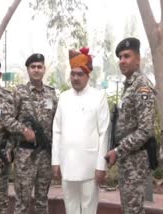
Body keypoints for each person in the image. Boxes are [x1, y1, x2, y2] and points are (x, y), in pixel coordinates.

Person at [52, 47, 110, 214]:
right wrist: (55, 161)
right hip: (67, 165)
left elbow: (104, 132)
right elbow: (57, 130)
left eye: (80, 74)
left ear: (87, 76)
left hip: (90, 166)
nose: (75, 77)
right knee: (70, 208)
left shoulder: (98, 97)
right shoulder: (63, 97)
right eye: (73, 74)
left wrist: (101, 165)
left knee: (88, 209)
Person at [0, 59, 35, 214]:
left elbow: (16, 128)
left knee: (1, 202)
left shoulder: (10, 98)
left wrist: (10, 150)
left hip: (2, 155)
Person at [105, 37, 155, 214]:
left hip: (136, 161)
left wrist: (117, 151)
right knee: (129, 209)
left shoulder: (142, 87)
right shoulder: (129, 85)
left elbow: (145, 130)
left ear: (138, 58)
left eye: (127, 56)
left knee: (133, 210)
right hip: (128, 160)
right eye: (120, 57)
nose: (122, 61)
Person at [12, 53, 57, 214]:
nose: (36, 70)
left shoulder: (51, 94)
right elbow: (8, 119)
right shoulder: (19, 93)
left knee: (42, 201)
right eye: (33, 67)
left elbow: (57, 123)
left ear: (44, 69)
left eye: (39, 67)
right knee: (22, 202)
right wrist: (24, 130)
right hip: (26, 155)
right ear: (28, 70)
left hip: (45, 154)